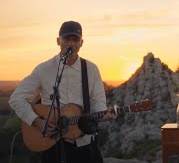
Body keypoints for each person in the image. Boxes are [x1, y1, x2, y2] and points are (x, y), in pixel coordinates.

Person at [9, 20, 115, 163]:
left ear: (81, 43)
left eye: (75, 39)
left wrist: (104, 114)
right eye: (67, 39)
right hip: (52, 145)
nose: (71, 43)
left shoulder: (91, 69)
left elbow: (98, 102)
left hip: (85, 145)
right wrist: (36, 122)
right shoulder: (43, 69)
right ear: (58, 41)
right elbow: (16, 99)